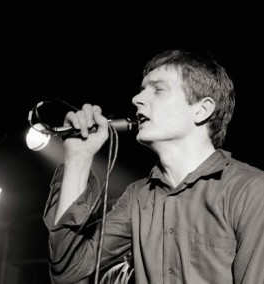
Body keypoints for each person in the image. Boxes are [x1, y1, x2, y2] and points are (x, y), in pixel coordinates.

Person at [42, 49, 264, 283]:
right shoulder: (137, 197)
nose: (136, 99)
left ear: (202, 109)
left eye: (158, 89)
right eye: (142, 90)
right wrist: (78, 158)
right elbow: (67, 271)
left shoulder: (251, 190)